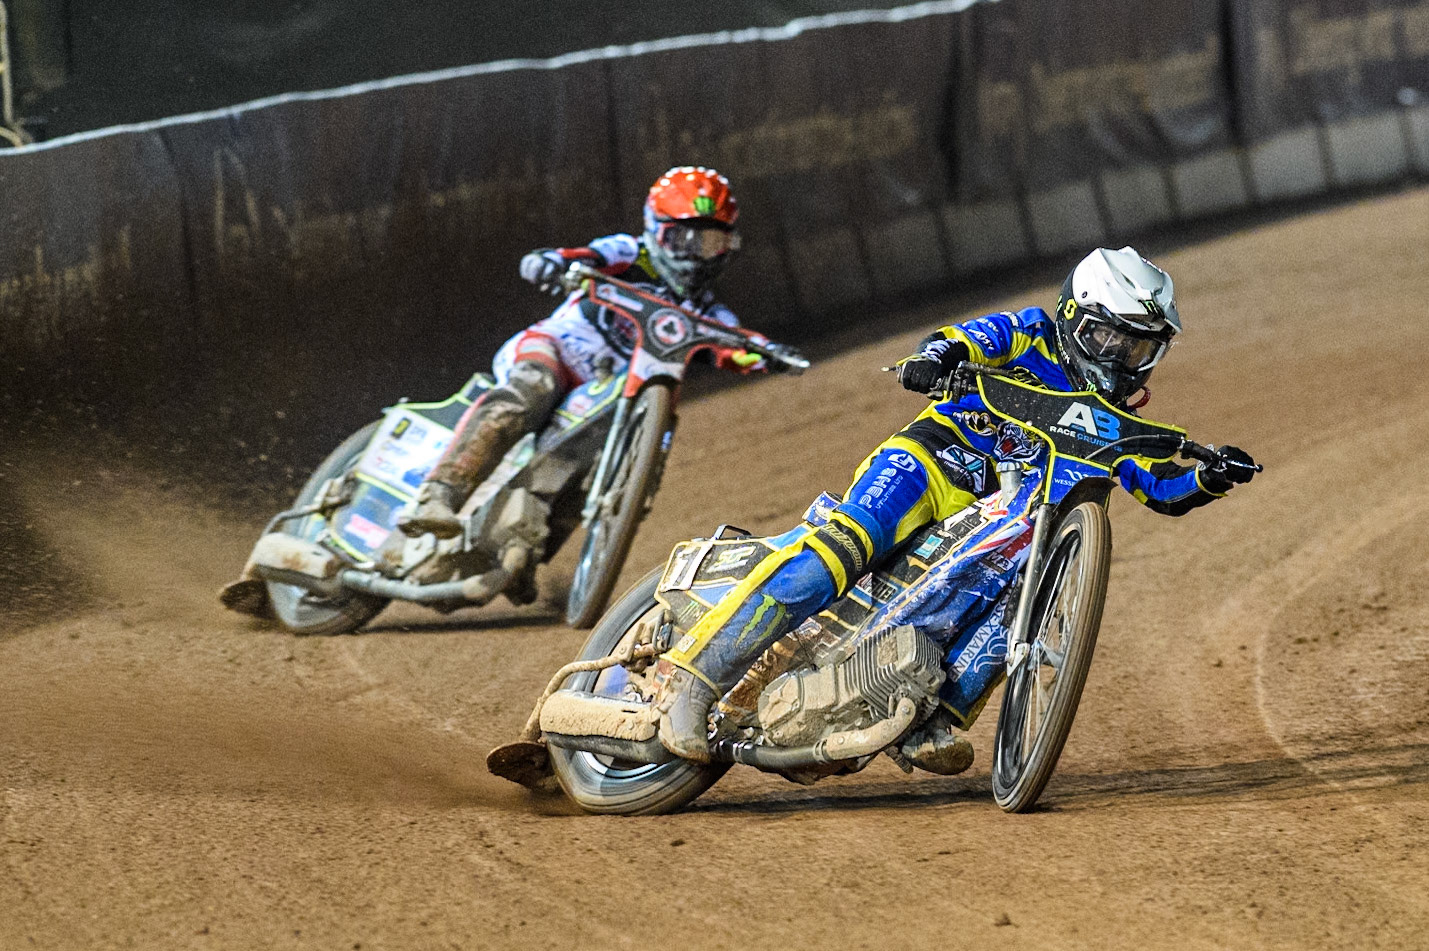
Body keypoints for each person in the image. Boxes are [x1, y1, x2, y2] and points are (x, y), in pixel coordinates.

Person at [650, 246, 1259, 769]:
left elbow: (1162, 490)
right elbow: (968, 337)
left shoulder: (1125, 426)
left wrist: (1211, 476)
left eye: (1138, 349)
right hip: (937, 461)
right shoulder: (1030, 330)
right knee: (846, 545)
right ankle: (693, 683)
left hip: (1007, 519)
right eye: (1110, 337)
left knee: (1026, 597)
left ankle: (926, 720)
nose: (1120, 356)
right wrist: (936, 358)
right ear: (1075, 317)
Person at [399, 165, 764, 540]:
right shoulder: (629, 252)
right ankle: (437, 495)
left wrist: (763, 353)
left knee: (617, 462)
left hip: (613, 398)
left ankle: (529, 552)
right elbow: (584, 256)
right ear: (656, 231)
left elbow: (738, 343)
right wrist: (553, 262)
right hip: (558, 350)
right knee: (530, 391)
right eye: (683, 240)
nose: (695, 257)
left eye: (709, 244)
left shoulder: (709, 313)